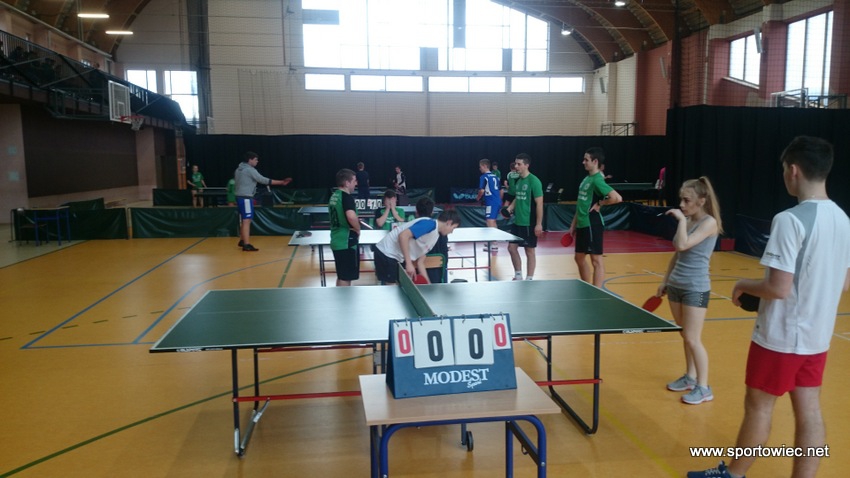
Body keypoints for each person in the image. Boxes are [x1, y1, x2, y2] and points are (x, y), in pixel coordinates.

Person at [688, 136, 850, 478]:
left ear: (793, 171)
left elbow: (778, 287)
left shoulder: (789, 220)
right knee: (810, 411)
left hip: (781, 337)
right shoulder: (842, 219)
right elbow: (844, 282)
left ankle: (733, 474)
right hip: (817, 338)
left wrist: (742, 285)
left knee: (758, 408)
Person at [657, 177, 723, 405]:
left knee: (693, 338)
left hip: (695, 288)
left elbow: (683, 244)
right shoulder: (687, 220)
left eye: (687, 200)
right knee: (685, 334)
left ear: (702, 200)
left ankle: (703, 387)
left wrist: (680, 221)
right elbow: (677, 253)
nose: (682, 204)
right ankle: (690, 377)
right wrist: (665, 280)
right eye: (681, 200)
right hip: (676, 285)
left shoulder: (709, 223)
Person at [568, 147, 622, 287]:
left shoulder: (597, 180)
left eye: (586, 160)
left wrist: (600, 203)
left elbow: (617, 198)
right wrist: (573, 225)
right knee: (579, 258)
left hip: (592, 224)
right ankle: (587, 287)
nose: (583, 162)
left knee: (596, 260)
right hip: (582, 223)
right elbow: (581, 203)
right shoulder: (587, 179)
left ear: (595, 161)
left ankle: (597, 292)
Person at [374, 208, 461, 285]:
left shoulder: (435, 236)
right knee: (392, 289)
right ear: (449, 223)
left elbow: (420, 262)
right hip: (386, 252)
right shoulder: (429, 225)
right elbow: (403, 236)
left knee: (402, 287)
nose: (452, 232)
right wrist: (408, 263)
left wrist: (428, 284)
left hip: (396, 256)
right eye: (453, 228)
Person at [234, 151, 292, 252]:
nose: (257, 161)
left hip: (239, 197)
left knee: (245, 220)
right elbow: (263, 180)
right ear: (250, 160)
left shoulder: (238, 169)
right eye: (255, 159)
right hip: (246, 198)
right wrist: (281, 182)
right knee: (247, 220)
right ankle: (246, 245)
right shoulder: (249, 170)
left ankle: (242, 240)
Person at [506, 153, 543, 281]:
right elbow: (518, 197)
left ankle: (529, 278)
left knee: (529, 251)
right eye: (516, 163)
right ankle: (518, 275)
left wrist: (538, 224)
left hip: (529, 222)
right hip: (517, 221)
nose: (516, 166)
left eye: (519, 164)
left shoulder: (534, 181)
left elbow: (539, 203)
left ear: (526, 165)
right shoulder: (519, 180)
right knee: (511, 248)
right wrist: (510, 207)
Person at [329, 169, 361, 287]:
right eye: (354, 181)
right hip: (346, 241)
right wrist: (357, 228)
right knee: (346, 277)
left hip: (336, 239)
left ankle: (339, 298)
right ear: (347, 183)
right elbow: (351, 216)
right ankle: (345, 299)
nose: (356, 183)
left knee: (342, 276)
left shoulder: (334, 196)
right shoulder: (347, 197)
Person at [476, 159, 502, 251]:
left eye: (480, 167)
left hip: (491, 202)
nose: (479, 169)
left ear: (484, 166)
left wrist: (478, 198)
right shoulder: (495, 176)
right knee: (492, 221)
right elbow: (501, 190)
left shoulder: (484, 177)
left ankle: (494, 244)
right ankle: (493, 241)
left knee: (490, 221)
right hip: (496, 201)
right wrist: (499, 200)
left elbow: (482, 190)